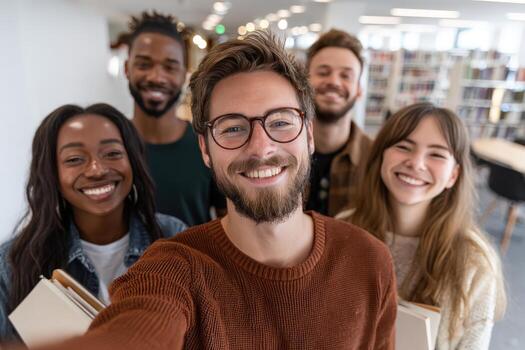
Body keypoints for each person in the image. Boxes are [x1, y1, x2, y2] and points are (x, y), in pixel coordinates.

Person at [21, 31, 397, 350]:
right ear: (204, 148)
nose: (261, 147)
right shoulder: (172, 267)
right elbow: (135, 330)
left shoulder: (369, 261)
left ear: (309, 134)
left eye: (280, 122)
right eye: (232, 128)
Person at [0, 104, 186, 342]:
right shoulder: (11, 264)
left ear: (133, 160)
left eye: (112, 153)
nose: (96, 170)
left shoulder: (173, 237)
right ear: (51, 174)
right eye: (75, 159)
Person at [338, 103, 507, 349]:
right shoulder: (343, 229)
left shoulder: (475, 261)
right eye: (404, 147)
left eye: (436, 154)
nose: (416, 163)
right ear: (380, 157)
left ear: (453, 175)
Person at [125, 11, 225, 226]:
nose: (156, 77)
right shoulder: (111, 147)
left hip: (196, 259)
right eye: (144, 64)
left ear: (183, 75)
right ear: (127, 69)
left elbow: (228, 226)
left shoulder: (209, 147)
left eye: (169, 67)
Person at [305, 29, 372, 216]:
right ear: (304, 82)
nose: (334, 81)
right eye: (323, 72)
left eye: (346, 76)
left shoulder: (376, 159)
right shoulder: (278, 150)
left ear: (359, 89)